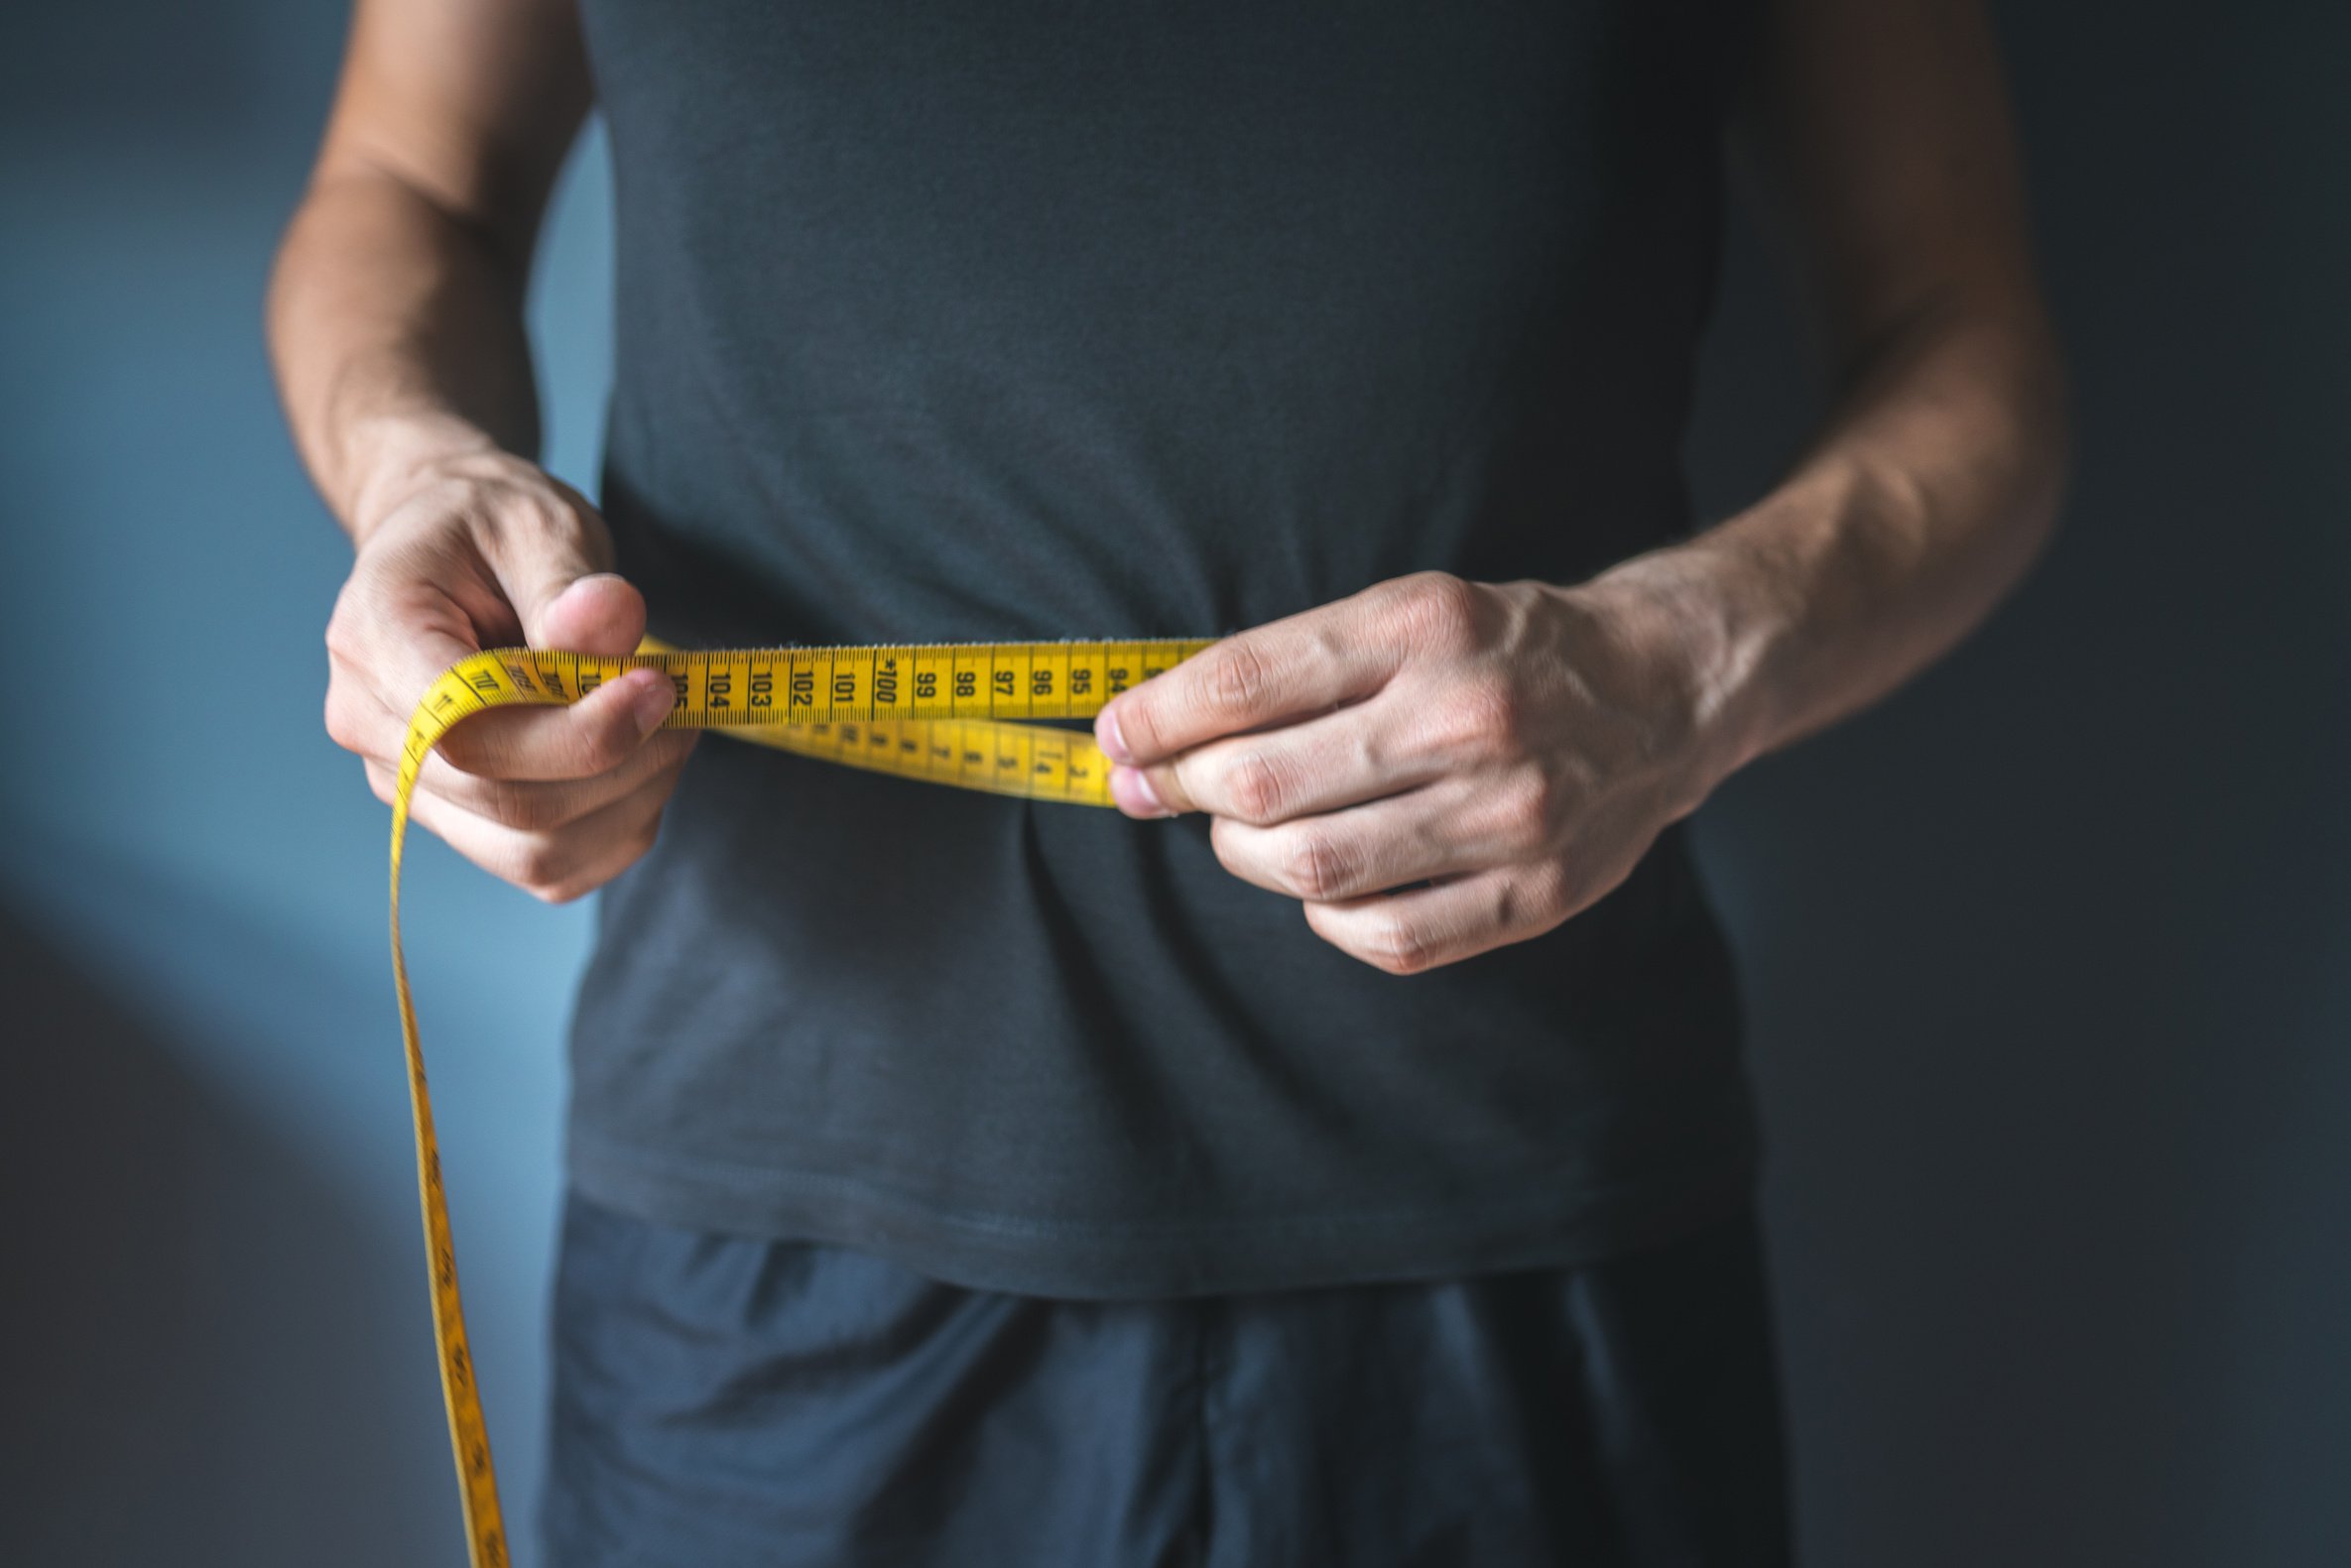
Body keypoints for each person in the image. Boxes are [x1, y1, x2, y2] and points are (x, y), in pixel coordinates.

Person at [268, 0, 2066, 1562]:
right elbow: (405, 185)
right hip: (772, 1263)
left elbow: (1962, 331)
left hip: (1525, 1250)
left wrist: (1679, 665)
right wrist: (410, 466)